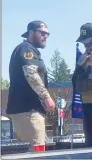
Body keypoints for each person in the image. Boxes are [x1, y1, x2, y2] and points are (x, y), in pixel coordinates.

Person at [6, 20, 55, 150]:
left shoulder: (29, 49)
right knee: (37, 151)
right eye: (42, 33)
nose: (45, 37)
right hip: (28, 111)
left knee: (29, 152)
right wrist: (46, 96)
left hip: (26, 111)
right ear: (31, 32)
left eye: (47, 34)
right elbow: (31, 74)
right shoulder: (26, 49)